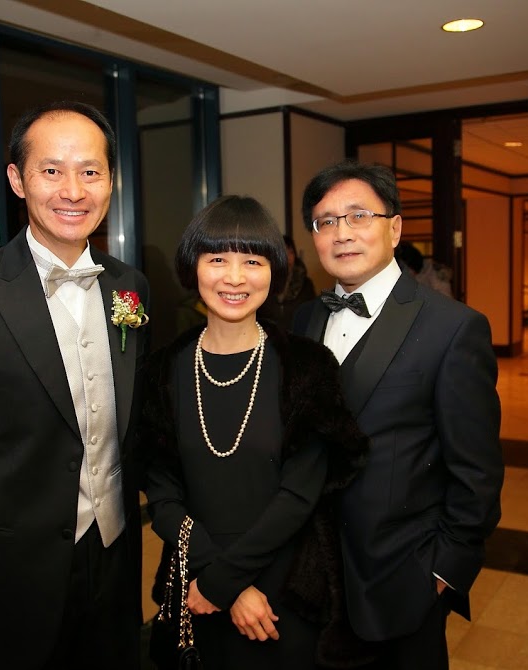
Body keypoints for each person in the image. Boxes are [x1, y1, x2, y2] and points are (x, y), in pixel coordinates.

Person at [0, 101, 150, 670]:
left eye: (90, 171)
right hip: (12, 567)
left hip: (113, 555)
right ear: (18, 180)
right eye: (52, 170)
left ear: (111, 181)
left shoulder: (129, 286)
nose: (73, 191)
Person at [142, 195, 368, 670]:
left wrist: (226, 582)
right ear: (192, 267)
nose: (235, 277)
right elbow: (162, 495)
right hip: (194, 581)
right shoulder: (161, 371)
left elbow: (299, 495)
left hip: (282, 590)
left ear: (275, 272)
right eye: (217, 259)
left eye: (252, 261)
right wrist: (218, 580)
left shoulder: (307, 367)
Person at [293, 161, 503, 669]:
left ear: (395, 227)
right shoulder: (302, 320)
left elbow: (477, 471)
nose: (342, 233)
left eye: (358, 216)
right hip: (309, 575)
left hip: (401, 579)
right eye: (325, 222)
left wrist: (444, 571)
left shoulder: (453, 328)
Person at [258, 235, 316, 330]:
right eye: (284, 253)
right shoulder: (264, 282)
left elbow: (312, 315)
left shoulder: (306, 284)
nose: (288, 257)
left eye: (291, 252)